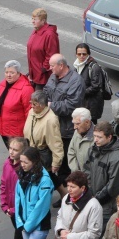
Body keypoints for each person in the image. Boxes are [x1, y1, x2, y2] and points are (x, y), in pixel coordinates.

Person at [15, 146, 59, 239]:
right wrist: (20, 221)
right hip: (25, 223)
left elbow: (41, 207)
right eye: (21, 161)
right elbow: (18, 199)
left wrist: (27, 225)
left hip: (38, 225)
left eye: (25, 162)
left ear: (34, 162)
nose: (22, 165)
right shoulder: (22, 175)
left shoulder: (44, 180)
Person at [44, 53, 85, 181]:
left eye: (52, 66)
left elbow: (72, 106)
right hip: (53, 127)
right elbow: (46, 92)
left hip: (66, 131)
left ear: (61, 66)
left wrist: (51, 105)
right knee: (54, 161)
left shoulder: (76, 81)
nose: (50, 68)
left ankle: (67, 195)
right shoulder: (53, 76)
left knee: (65, 165)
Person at [23, 90, 66, 201]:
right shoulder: (32, 112)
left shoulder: (50, 119)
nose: (31, 106)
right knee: (48, 176)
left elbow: (56, 143)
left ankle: (41, 200)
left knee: (43, 178)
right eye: (31, 103)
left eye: (34, 104)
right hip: (31, 150)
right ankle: (64, 194)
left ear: (42, 105)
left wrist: (56, 162)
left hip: (42, 154)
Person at [0, 137, 30, 239]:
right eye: (10, 148)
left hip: (21, 212)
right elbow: (4, 185)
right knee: (24, 238)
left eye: (15, 150)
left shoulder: (24, 168)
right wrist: (4, 205)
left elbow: (26, 196)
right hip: (11, 211)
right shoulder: (7, 164)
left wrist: (12, 209)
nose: (11, 152)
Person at [0, 60, 33, 148]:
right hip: (4, 129)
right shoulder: (2, 85)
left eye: (12, 73)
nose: (8, 75)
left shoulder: (26, 89)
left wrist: (28, 132)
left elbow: (29, 113)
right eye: (6, 72)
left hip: (17, 132)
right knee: (12, 153)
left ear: (18, 73)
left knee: (19, 155)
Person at [27, 8, 59, 90]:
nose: (32, 21)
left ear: (43, 21)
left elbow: (52, 55)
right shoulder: (36, 30)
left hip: (43, 77)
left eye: (35, 19)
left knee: (39, 99)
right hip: (35, 73)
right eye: (32, 19)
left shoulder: (49, 35)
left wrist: (42, 69)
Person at [73, 43, 105, 123]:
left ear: (88, 54)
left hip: (92, 103)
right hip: (82, 101)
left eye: (84, 54)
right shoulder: (77, 65)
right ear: (76, 54)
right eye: (79, 54)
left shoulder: (94, 67)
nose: (81, 56)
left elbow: (95, 86)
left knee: (90, 125)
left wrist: (81, 92)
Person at [68, 108, 95, 173]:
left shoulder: (97, 138)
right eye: (74, 123)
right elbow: (71, 153)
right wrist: (77, 172)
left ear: (87, 122)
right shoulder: (76, 133)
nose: (74, 127)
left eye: (77, 124)